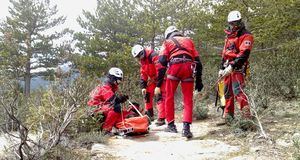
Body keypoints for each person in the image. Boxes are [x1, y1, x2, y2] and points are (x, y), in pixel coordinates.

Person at [155, 26, 203, 138]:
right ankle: (186, 128)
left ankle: (171, 125)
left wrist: (158, 84)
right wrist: (199, 81)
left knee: (169, 97)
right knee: (188, 99)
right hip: (189, 68)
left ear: (168, 35)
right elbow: (198, 62)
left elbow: (161, 63)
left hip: (175, 67)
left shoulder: (167, 42)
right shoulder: (189, 41)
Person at [218, 11, 254, 122]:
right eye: (232, 23)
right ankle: (228, 116)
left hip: (238, 67)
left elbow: (244, 54)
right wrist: (222, 67)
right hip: (227, 66)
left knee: (238, 91)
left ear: (240, 22)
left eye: (236, 23)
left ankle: (246, 117)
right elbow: (225, 53)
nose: (234, 26)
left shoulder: (246, 35)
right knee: (227, 91)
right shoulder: (228, 36)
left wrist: (232, 66)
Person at [131, 45, 166, 126]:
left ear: (142, 52)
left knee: (159, 96)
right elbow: (143, 73)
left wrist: (158, 86)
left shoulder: (153, 55)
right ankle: (150, 115)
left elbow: (160, 70)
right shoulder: (142, 60)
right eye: (137, 57)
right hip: (153, 79)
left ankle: (162, 117)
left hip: (161, 78)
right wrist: (143, 86)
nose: (139, 58)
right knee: (147, 94)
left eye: (139, 56)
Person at [87, 67, 129, 135]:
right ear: (113, 78)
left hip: (99, 107)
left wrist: (121, 99)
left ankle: (117, 126)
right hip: (94, 109)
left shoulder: (109, 85)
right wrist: (120, 99)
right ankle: (106, 130)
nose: (119, 82)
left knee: (123, 111)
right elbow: (112, 100)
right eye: (118, 80)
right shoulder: (105, 86)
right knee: (116, 108)